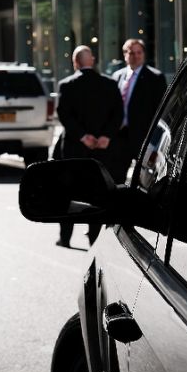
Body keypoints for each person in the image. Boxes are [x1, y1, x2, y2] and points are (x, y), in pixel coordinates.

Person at [56, 45, 123, 247]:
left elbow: (64, 115)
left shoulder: (66, 85)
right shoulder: (110, 84)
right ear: (92, 61)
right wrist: (106, 136)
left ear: (75, 63)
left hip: (74, 149)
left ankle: (65, 238)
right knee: (97, 191)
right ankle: (94, 237)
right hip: (101, 150)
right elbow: (118, 114)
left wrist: (83, 136)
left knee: (68, 192)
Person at [111, 39, 167, 182]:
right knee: (116, 178)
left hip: (143, 137)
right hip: (119, 136)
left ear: (143, 54)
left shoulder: (155, 77)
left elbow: (161, 110)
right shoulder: (117, 76)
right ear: (125, 55)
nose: (136, 56)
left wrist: (156, 139)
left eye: (139, 52)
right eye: (131, 53)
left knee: (142, 180)